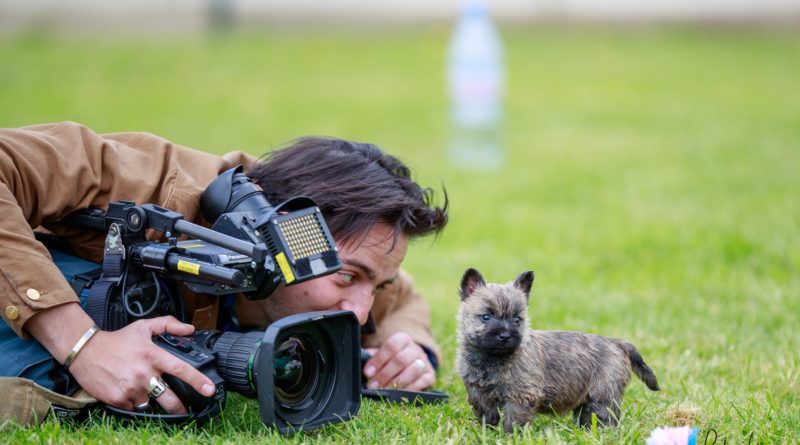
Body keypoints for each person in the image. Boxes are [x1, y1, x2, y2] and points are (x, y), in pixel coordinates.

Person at [0, 121, 447, 421]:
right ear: (289, 235)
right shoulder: (154, 183)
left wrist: (411, 353)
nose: (361, 313)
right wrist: (84, 344)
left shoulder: (341, 263)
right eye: (349, 277)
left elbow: (402, 299)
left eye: (376, 284)